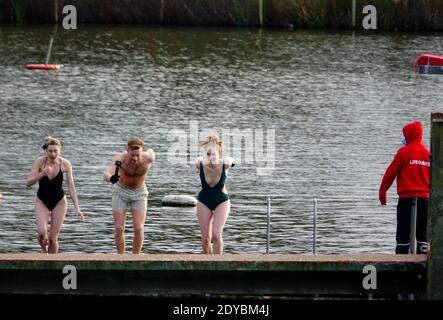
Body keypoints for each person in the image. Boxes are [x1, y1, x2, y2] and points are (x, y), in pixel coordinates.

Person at [26, 135, 85, 254]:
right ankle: (43, 250)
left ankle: (53, 263)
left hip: (59, 202)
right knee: (42, 233)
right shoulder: (40, 162)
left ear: (59, 151)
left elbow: (71, 187)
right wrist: (42, 174)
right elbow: (28, 183)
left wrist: (77, 208)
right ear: (46, 151)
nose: (53, 154)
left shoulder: (65, 164)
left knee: (53, 238)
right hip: (42, 200)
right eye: (50, 151)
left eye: (55, 151)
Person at [379, 120, 430, 254]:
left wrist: (382, 193)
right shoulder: (428, 153)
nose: (403, 137)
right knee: (423, 236)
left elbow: (390, 174)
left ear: (409, 135)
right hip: (425, 201)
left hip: (406, 200)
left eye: (404, 134)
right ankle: (423, 266)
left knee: (403, 236)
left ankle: (401, 264)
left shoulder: (403, 152)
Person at [103, 137, 155, 254]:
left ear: (142, 152)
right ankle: (121, 257)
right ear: (127, 151)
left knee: (139, 228)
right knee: (119, 228)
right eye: (132, 155)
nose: (135, 158)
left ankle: (135, 257)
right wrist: (111, 178)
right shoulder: (120, 159)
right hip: (121, 191)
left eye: (138, 155)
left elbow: (151, 152)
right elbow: (106, 173)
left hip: (139, 192)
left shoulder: (148, 157)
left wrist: (148, 152)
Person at [195, 134, 235, 254]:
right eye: (208, 154)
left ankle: (218, 263)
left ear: (219, 154)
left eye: (214, 154)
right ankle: (207, 264)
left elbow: (232, 161)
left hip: (221, 200)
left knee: (216, 234)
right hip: (204, 200)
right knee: (206, 239)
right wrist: (199, 159)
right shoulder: (200, 164)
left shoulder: (225, 164)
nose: (211, 157)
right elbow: (197, 160)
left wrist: (231, 160)